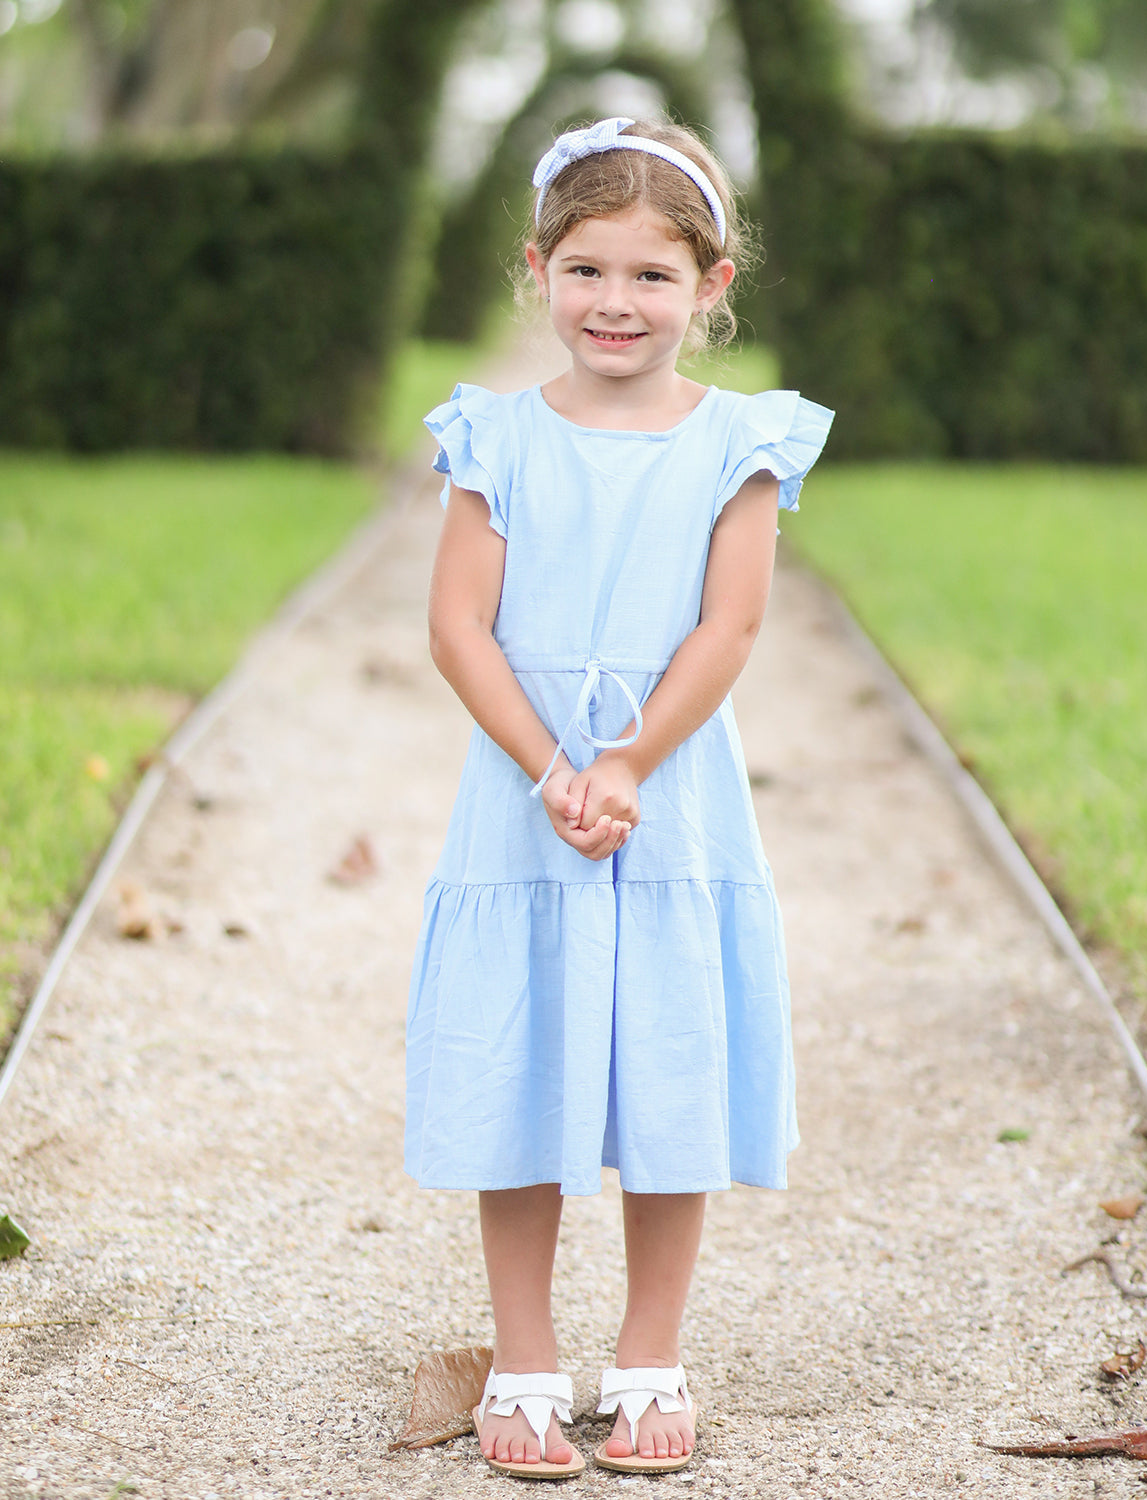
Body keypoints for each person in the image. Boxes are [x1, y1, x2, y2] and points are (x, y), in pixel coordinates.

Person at [405, 116, 834, 1479]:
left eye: (652, 276)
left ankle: (650, 1351)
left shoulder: (740, 445)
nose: (615, 302)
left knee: (665, 1056)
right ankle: (523, 1362)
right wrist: (552, 769)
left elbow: (730, 628)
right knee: (522, 1063)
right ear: (538, 269)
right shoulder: (497, 438)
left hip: (669, 791)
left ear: (711, 287)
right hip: (525, 796)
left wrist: (626, 763)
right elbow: (460, 626)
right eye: (587, 270)